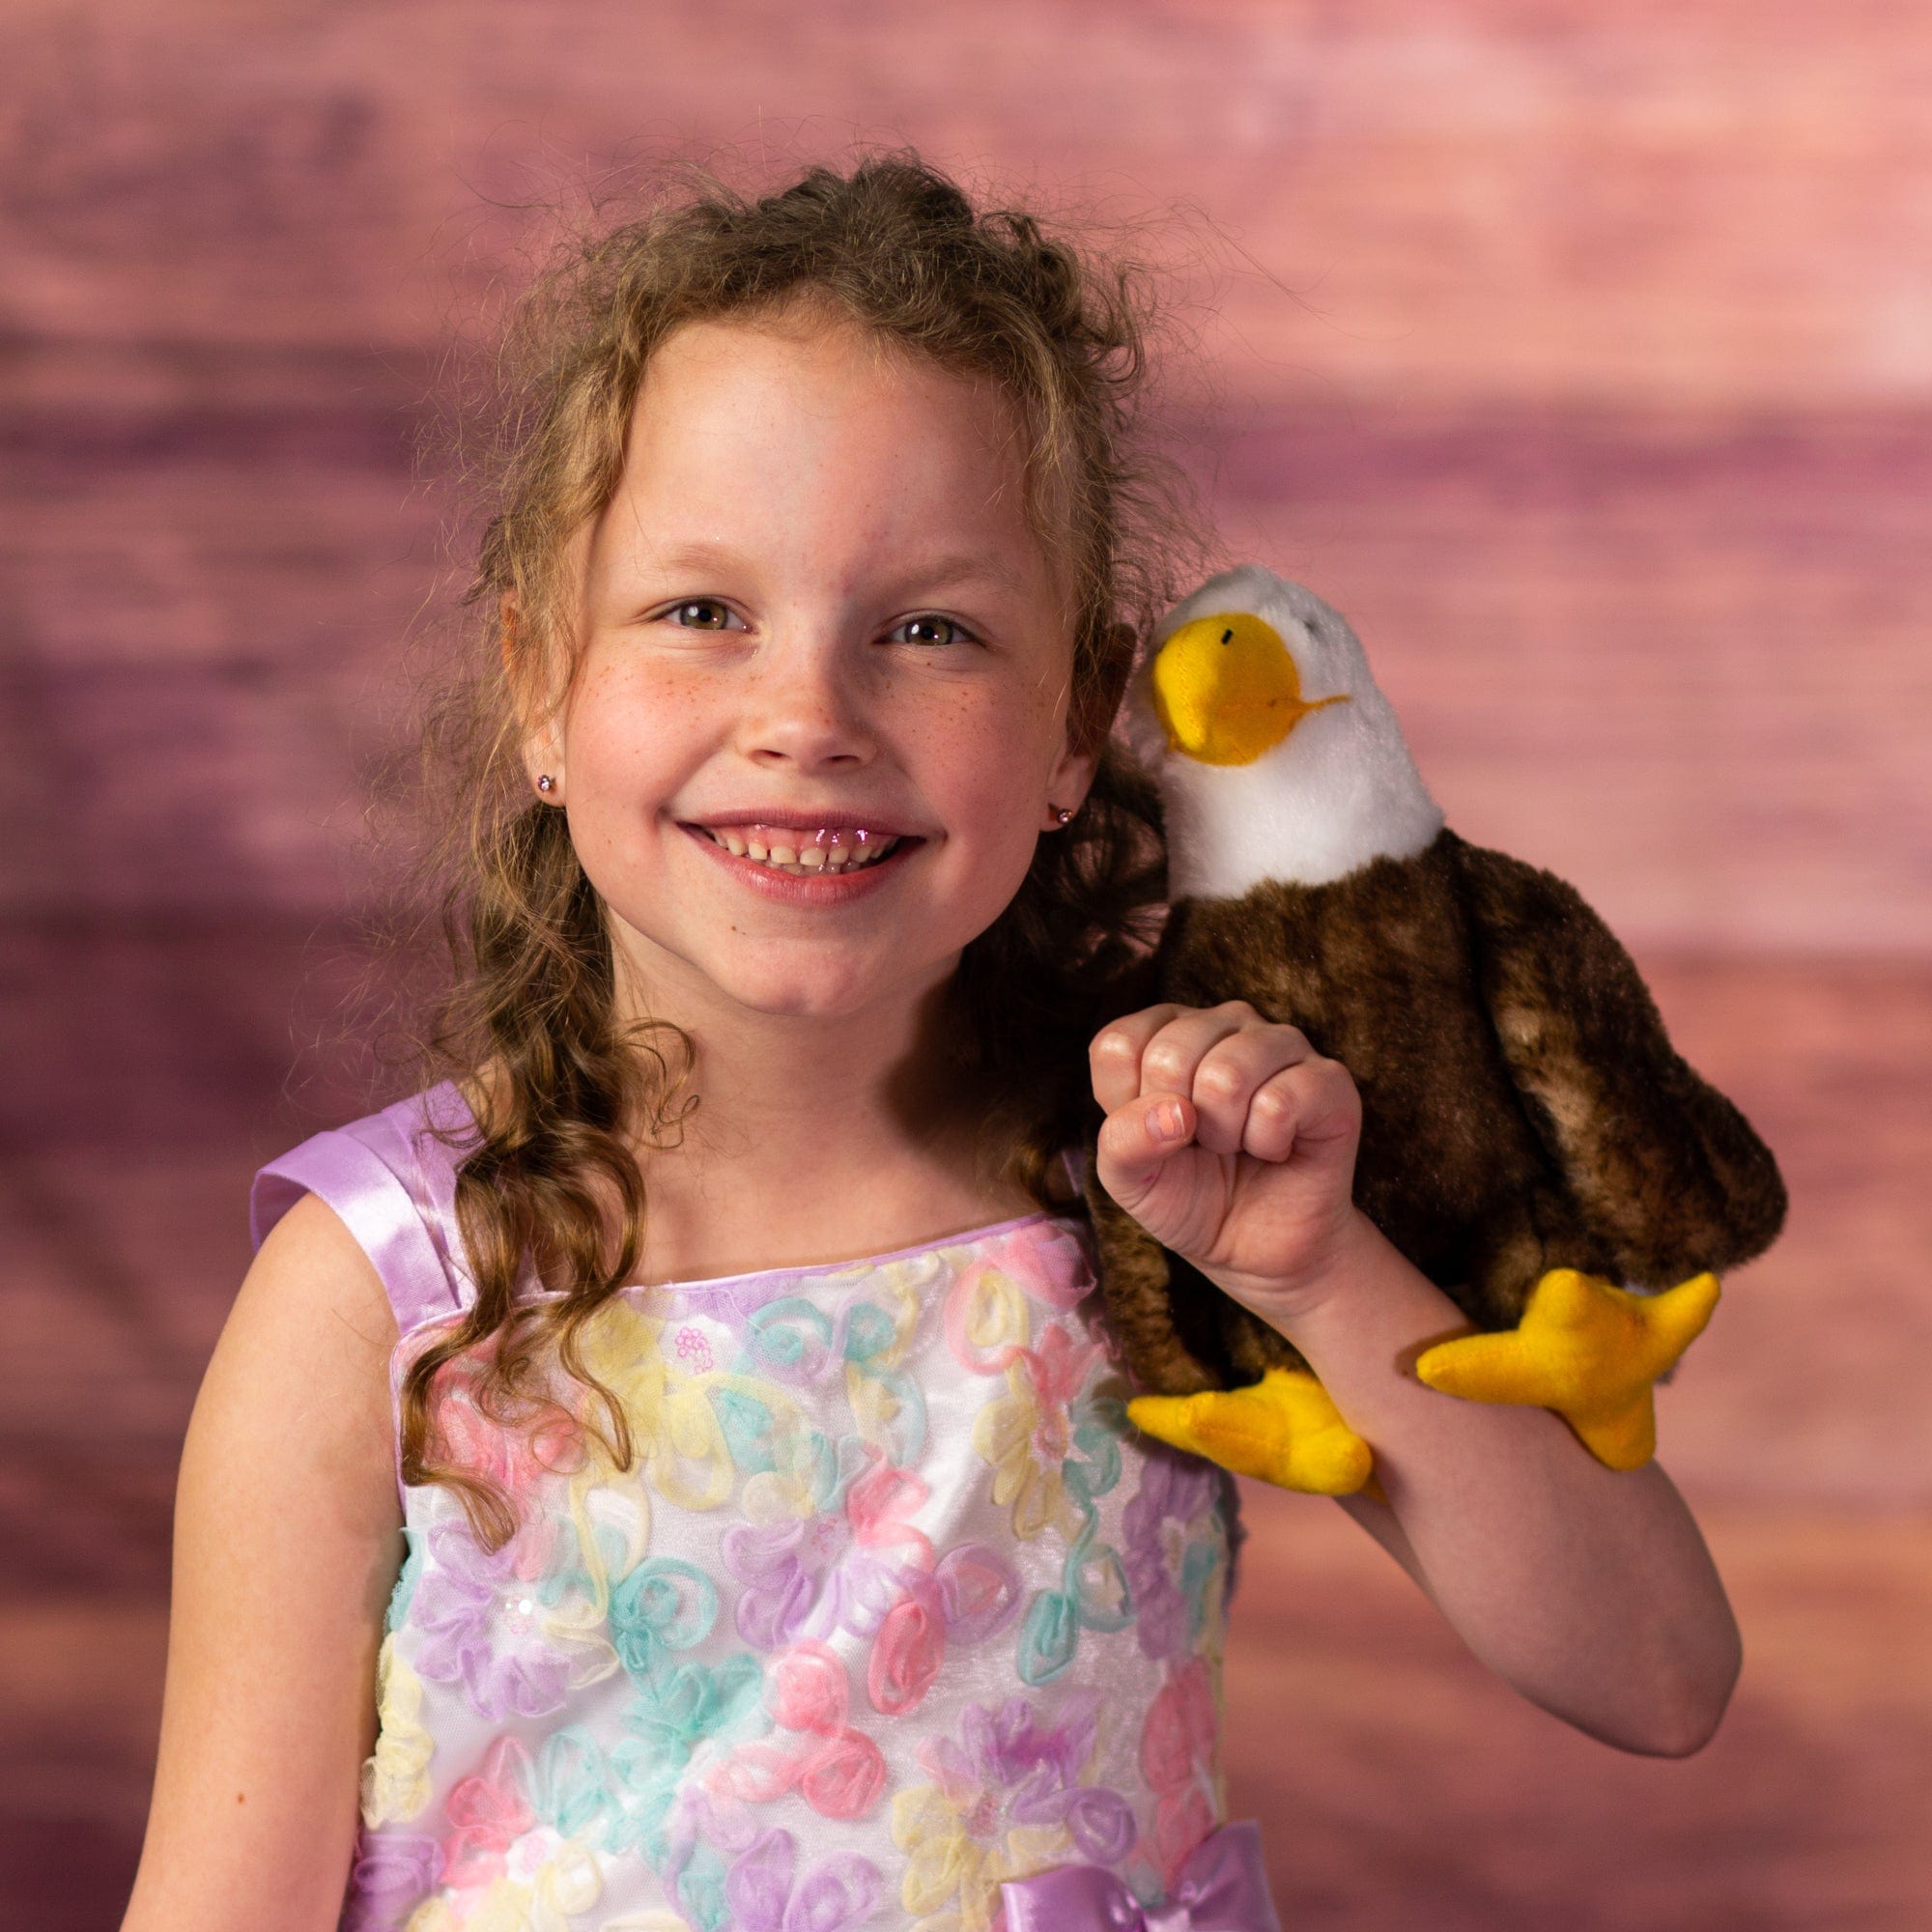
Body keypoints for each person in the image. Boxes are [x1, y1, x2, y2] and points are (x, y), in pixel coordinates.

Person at [122, 152, 1741, 1932]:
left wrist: (1320, 1278)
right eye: (699, 612)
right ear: (537, 688)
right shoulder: (396, 1294)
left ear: (1075, 723)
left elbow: (1657, 1674)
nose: (807, 717)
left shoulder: (1153, 1193)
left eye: (929, 630)